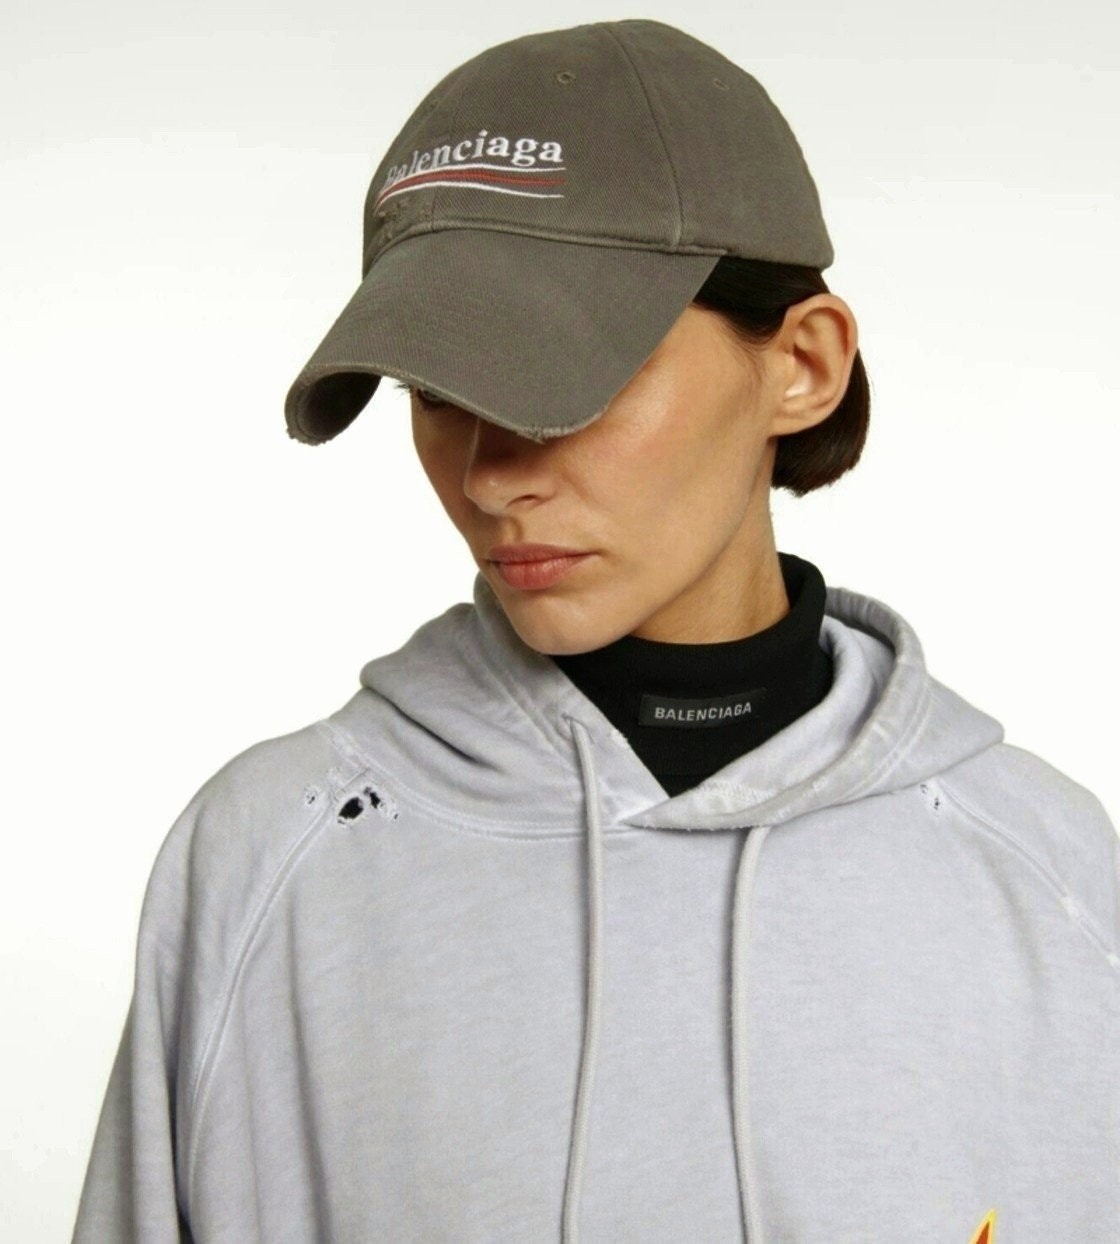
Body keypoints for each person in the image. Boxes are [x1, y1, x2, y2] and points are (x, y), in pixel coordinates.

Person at [72, 18, 1119, 1244]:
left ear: (802, 363)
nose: (488, 473)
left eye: (564, 374)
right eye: (435, 390)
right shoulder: (269, 863)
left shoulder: (1053, 872)